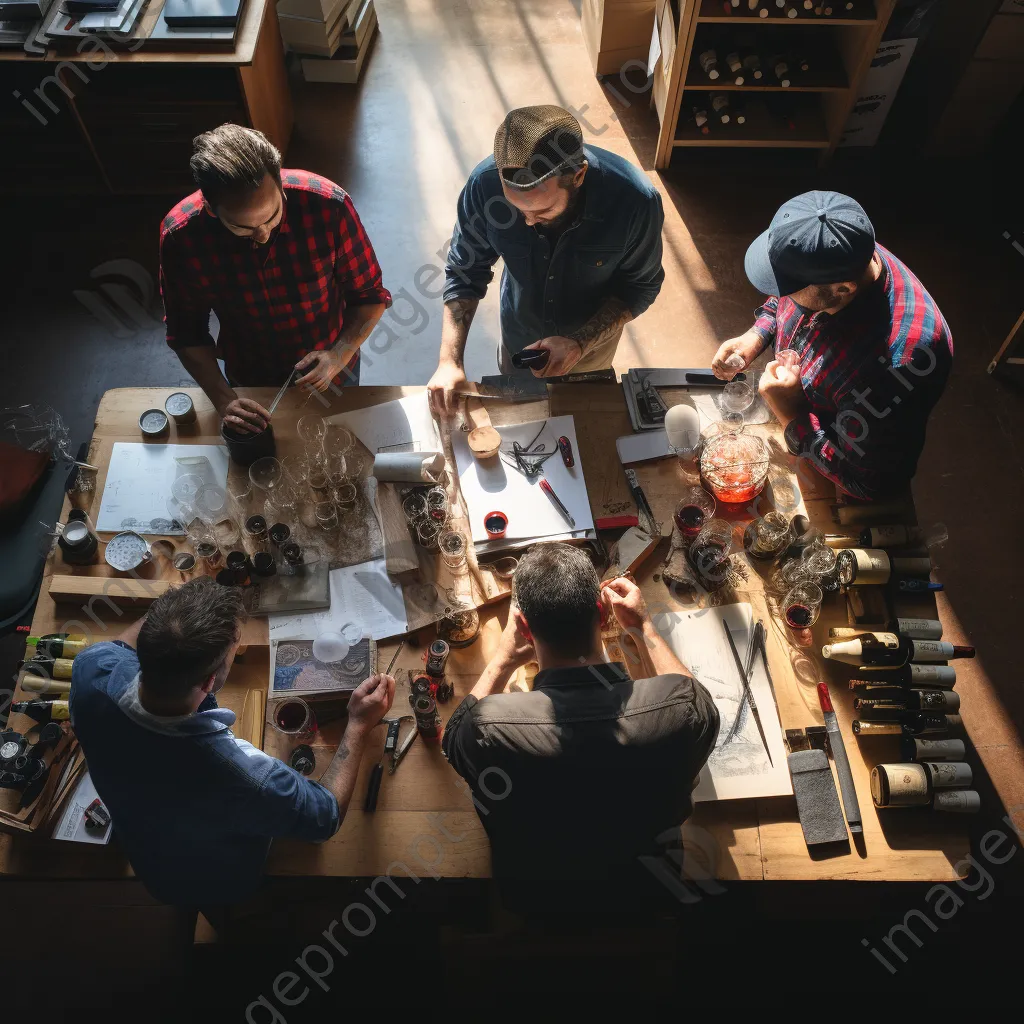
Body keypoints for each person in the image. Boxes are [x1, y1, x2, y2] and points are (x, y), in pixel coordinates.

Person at [69, 577, 395, 907]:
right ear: (210, 680)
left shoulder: (91, 668)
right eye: (232, 650)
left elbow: (141, 638)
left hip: (150, 860)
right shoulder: (238, 772)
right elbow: (324, 818)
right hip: (217, 882)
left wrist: (183, 607)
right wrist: (357, 724)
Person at [441, 544, 719, 881]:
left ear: (524, 628)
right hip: (646, 888)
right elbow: (702, 705)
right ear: (602, 614)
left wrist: (503, 658)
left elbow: (453, 740)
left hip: (538, 897)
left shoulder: (488, 728)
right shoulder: (681, 710)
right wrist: (643, 628)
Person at [712, 190, 953, 501]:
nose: (783, 292)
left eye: (790, 286)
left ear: (843, 289)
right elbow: (786, 296)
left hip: (831, 458)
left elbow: (869, 483)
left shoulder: (894, 369)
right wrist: (756, 335)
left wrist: (792, 415)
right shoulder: (839, 248)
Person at [427, 105, 665, 415]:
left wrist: (580, 343)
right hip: (518, 340)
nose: (527, 222)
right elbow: (464, 271)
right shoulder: (483, 187)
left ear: (578, 175)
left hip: (590, 354)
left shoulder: (635, 202)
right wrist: (449, 361)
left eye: (541, 211)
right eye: (517, 210)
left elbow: (640, 287)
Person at [159, 124, 392, 435]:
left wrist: (340, 353)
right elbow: (186, 333)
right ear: (212, 210)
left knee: (342, 441)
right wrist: (223, 398)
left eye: (273, 216)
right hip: (249, 371)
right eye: (243, 228)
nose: (264, 234)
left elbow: (369, 296)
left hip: (333, 363)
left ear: (281, 185)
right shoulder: (182, 237)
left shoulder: (328, 207)